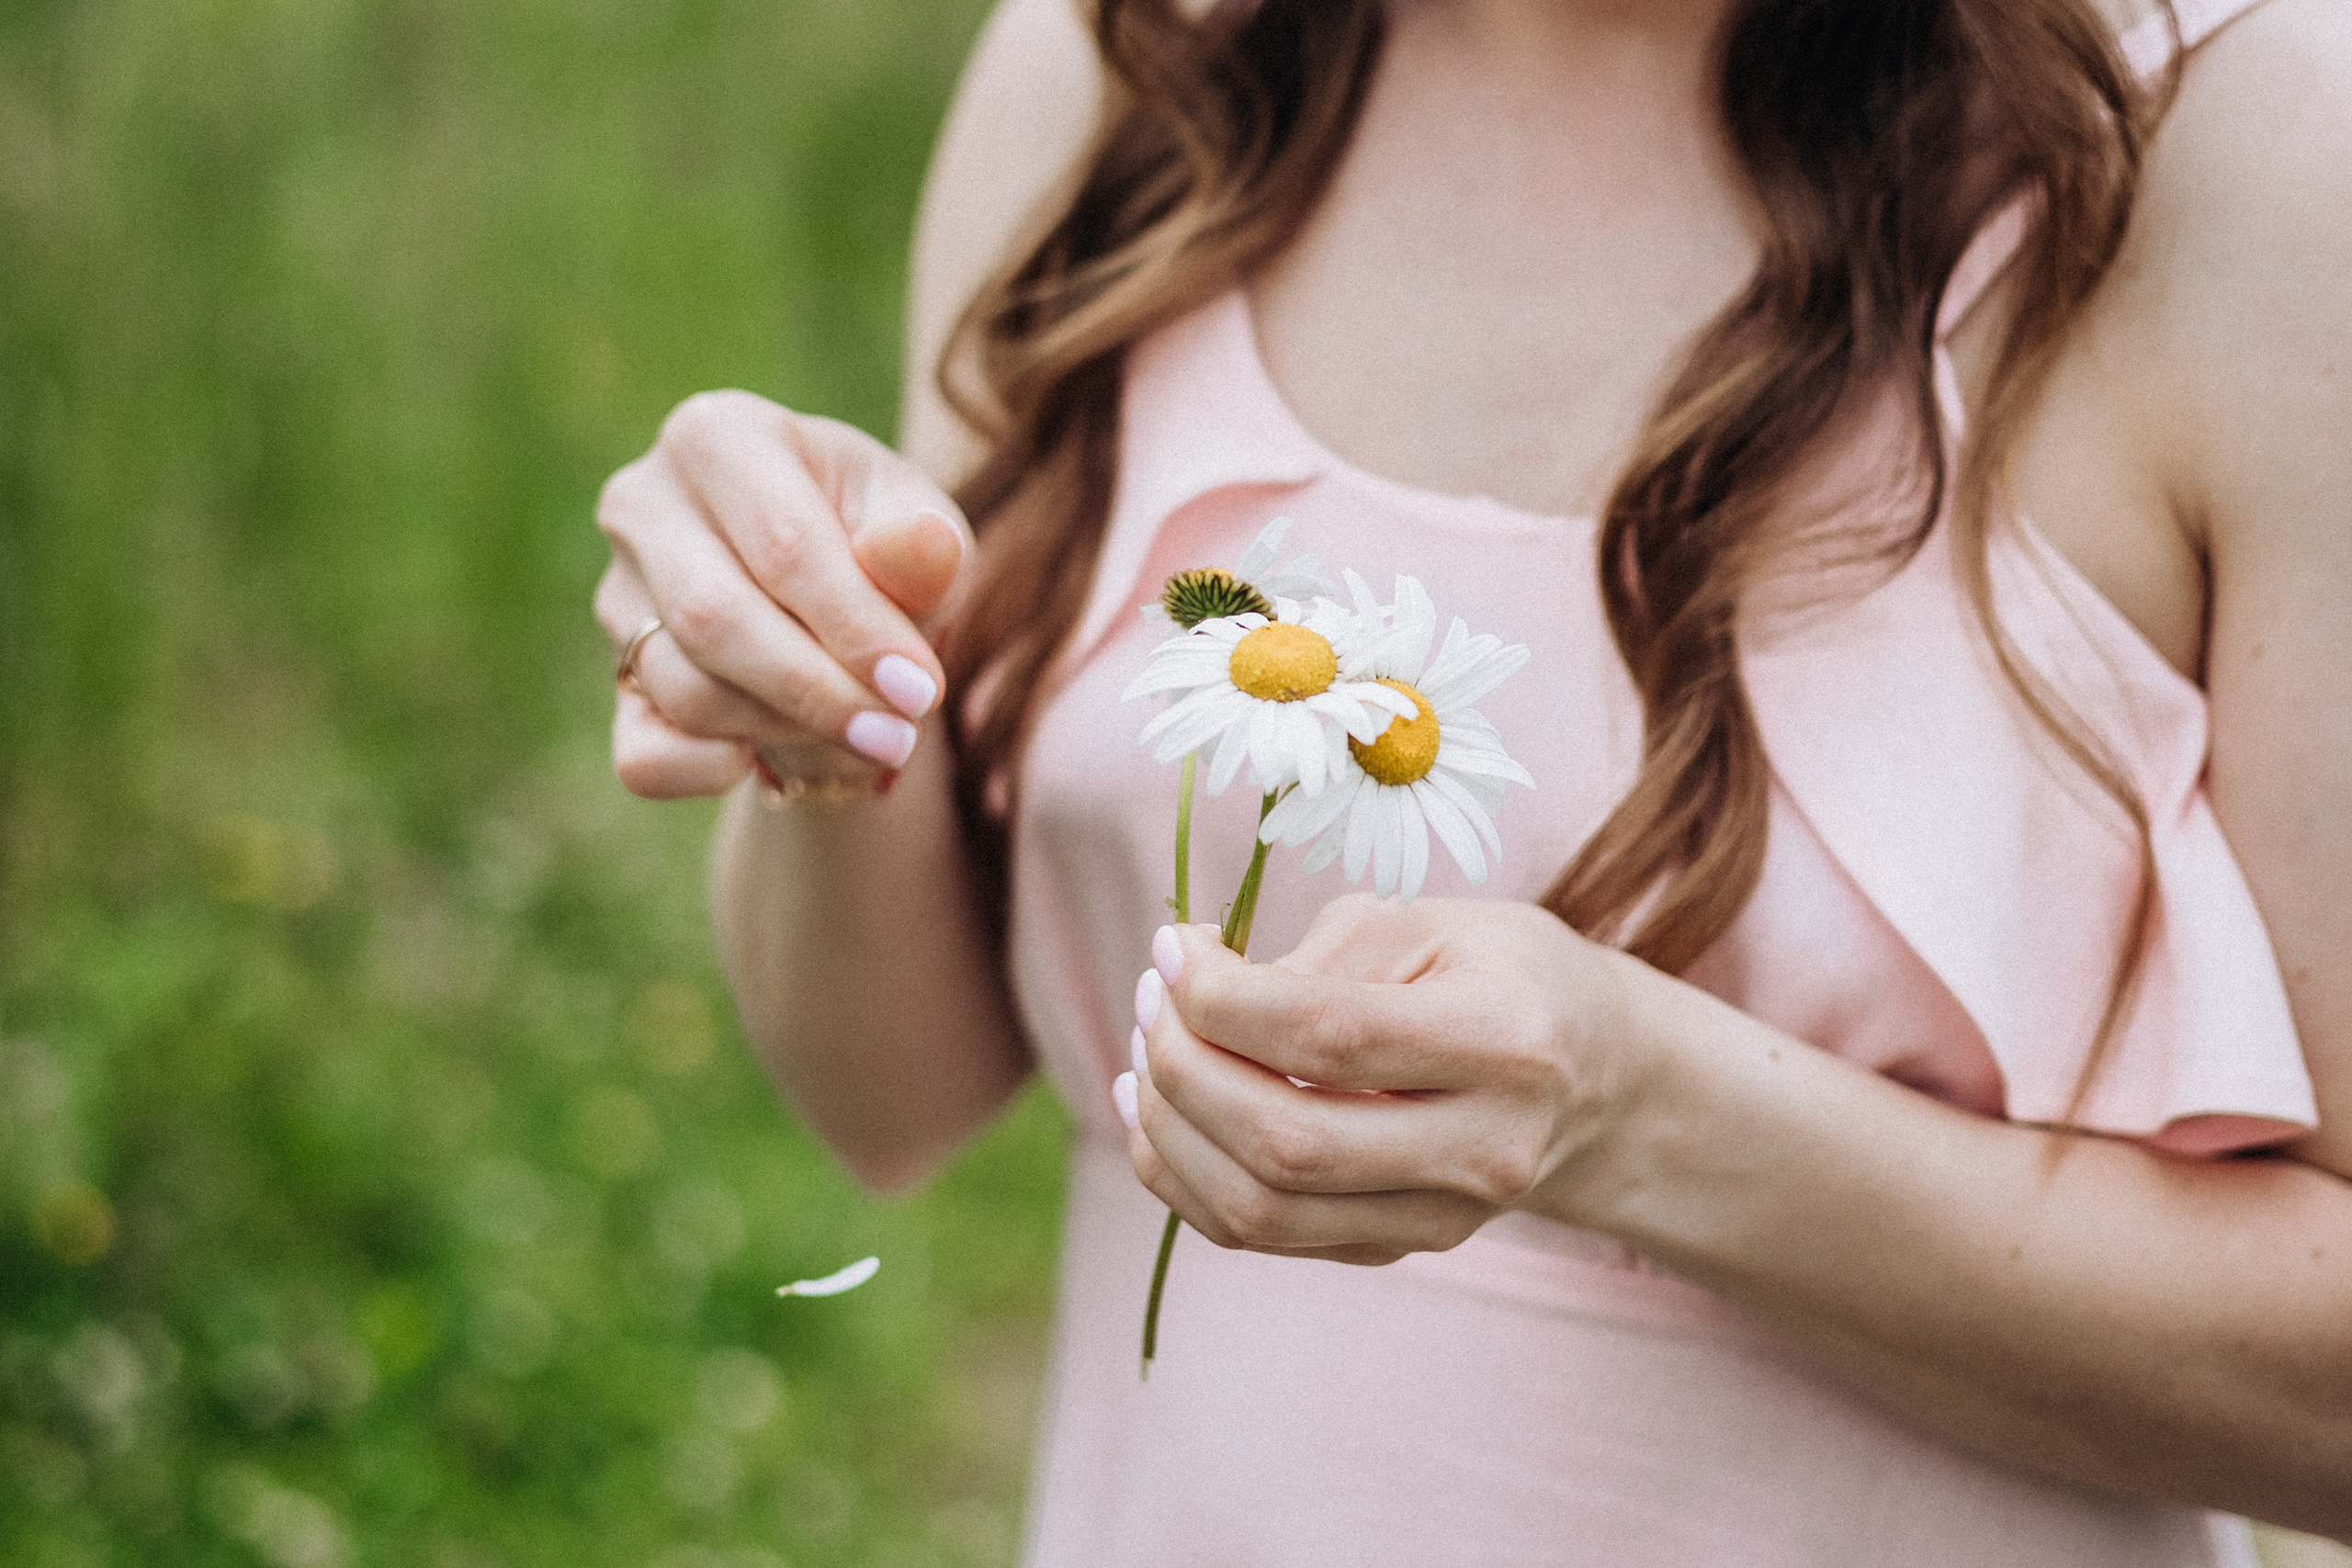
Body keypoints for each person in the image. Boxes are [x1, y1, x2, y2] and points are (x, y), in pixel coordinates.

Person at [594, 0, 2352, 1559]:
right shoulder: (1128, 70)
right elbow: (885, 1094)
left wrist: (1639, 1114)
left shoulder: (2247, 155)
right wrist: (823, 695)